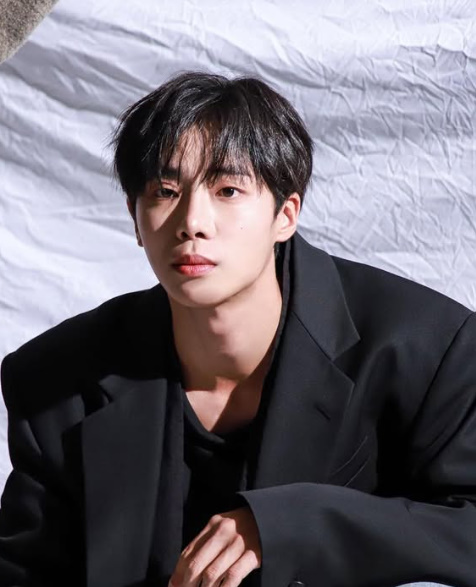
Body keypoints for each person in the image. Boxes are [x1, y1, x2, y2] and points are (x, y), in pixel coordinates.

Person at [0, 71, 474, 587]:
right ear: (135, 219)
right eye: (165, 191)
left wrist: (290, 528)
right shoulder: (57, 381)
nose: (193, 222)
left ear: (286, 215)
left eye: (227, 189)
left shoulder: (426, 348)